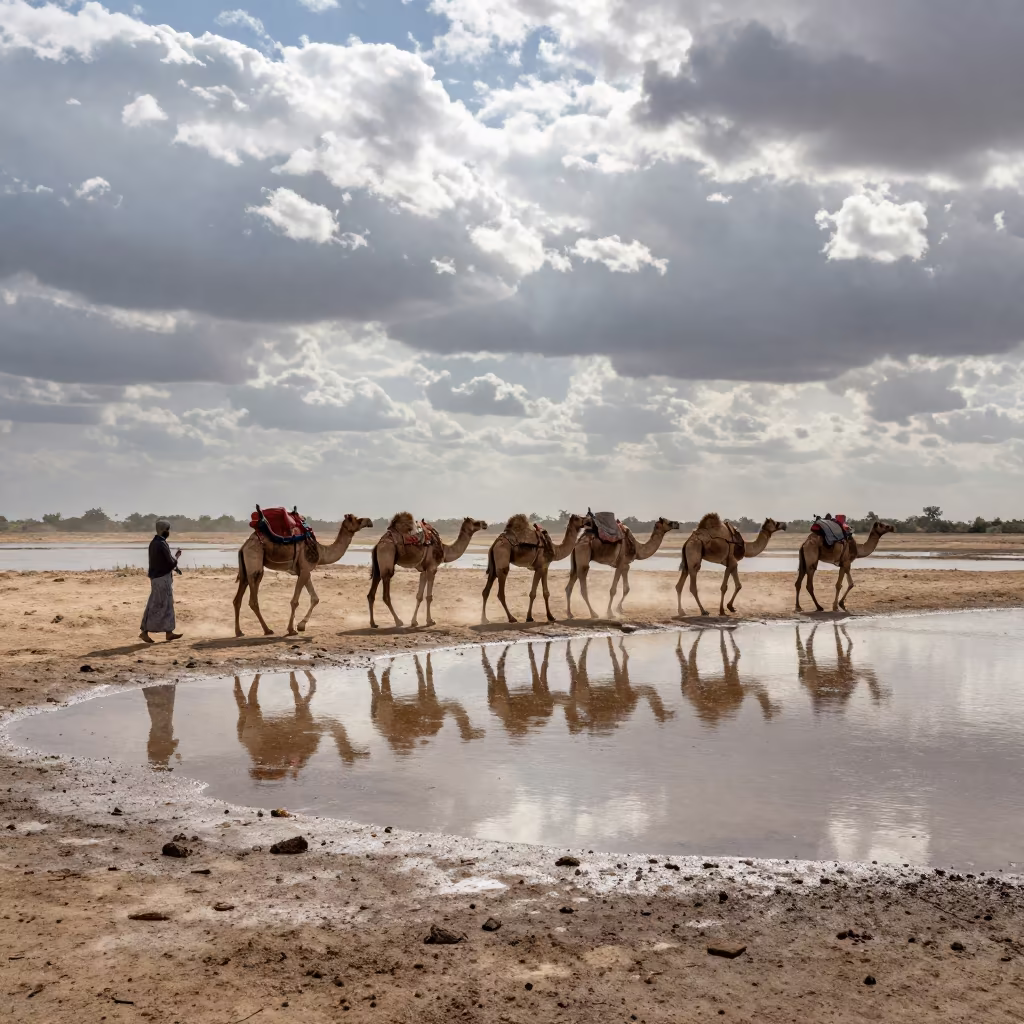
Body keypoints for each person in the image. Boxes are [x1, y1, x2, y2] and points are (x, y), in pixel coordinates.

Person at [140, 518, 183, 643]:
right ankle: (145, 632)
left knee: (162, 604)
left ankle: (168, 632)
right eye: (168, 530)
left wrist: (175, 566)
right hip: (162, 580)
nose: (168, 532)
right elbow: (169, 562)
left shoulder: (154, 543)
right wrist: (177, 557)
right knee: (159, 605)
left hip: (156, 578)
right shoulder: (161, 544)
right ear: (164, 530)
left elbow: (163, 562)